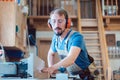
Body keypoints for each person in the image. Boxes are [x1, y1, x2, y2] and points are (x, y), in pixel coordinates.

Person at [42, 8, 99, 80]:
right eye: (53, 21)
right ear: (50, 24)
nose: (56, 25)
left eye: (60, 21)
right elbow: (50, 53)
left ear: (67, 22)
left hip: (89, 75)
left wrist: (53, 67)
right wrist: (52, 71)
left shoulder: (76, 37)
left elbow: (71, 59)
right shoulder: (55, 39)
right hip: (74, 76)